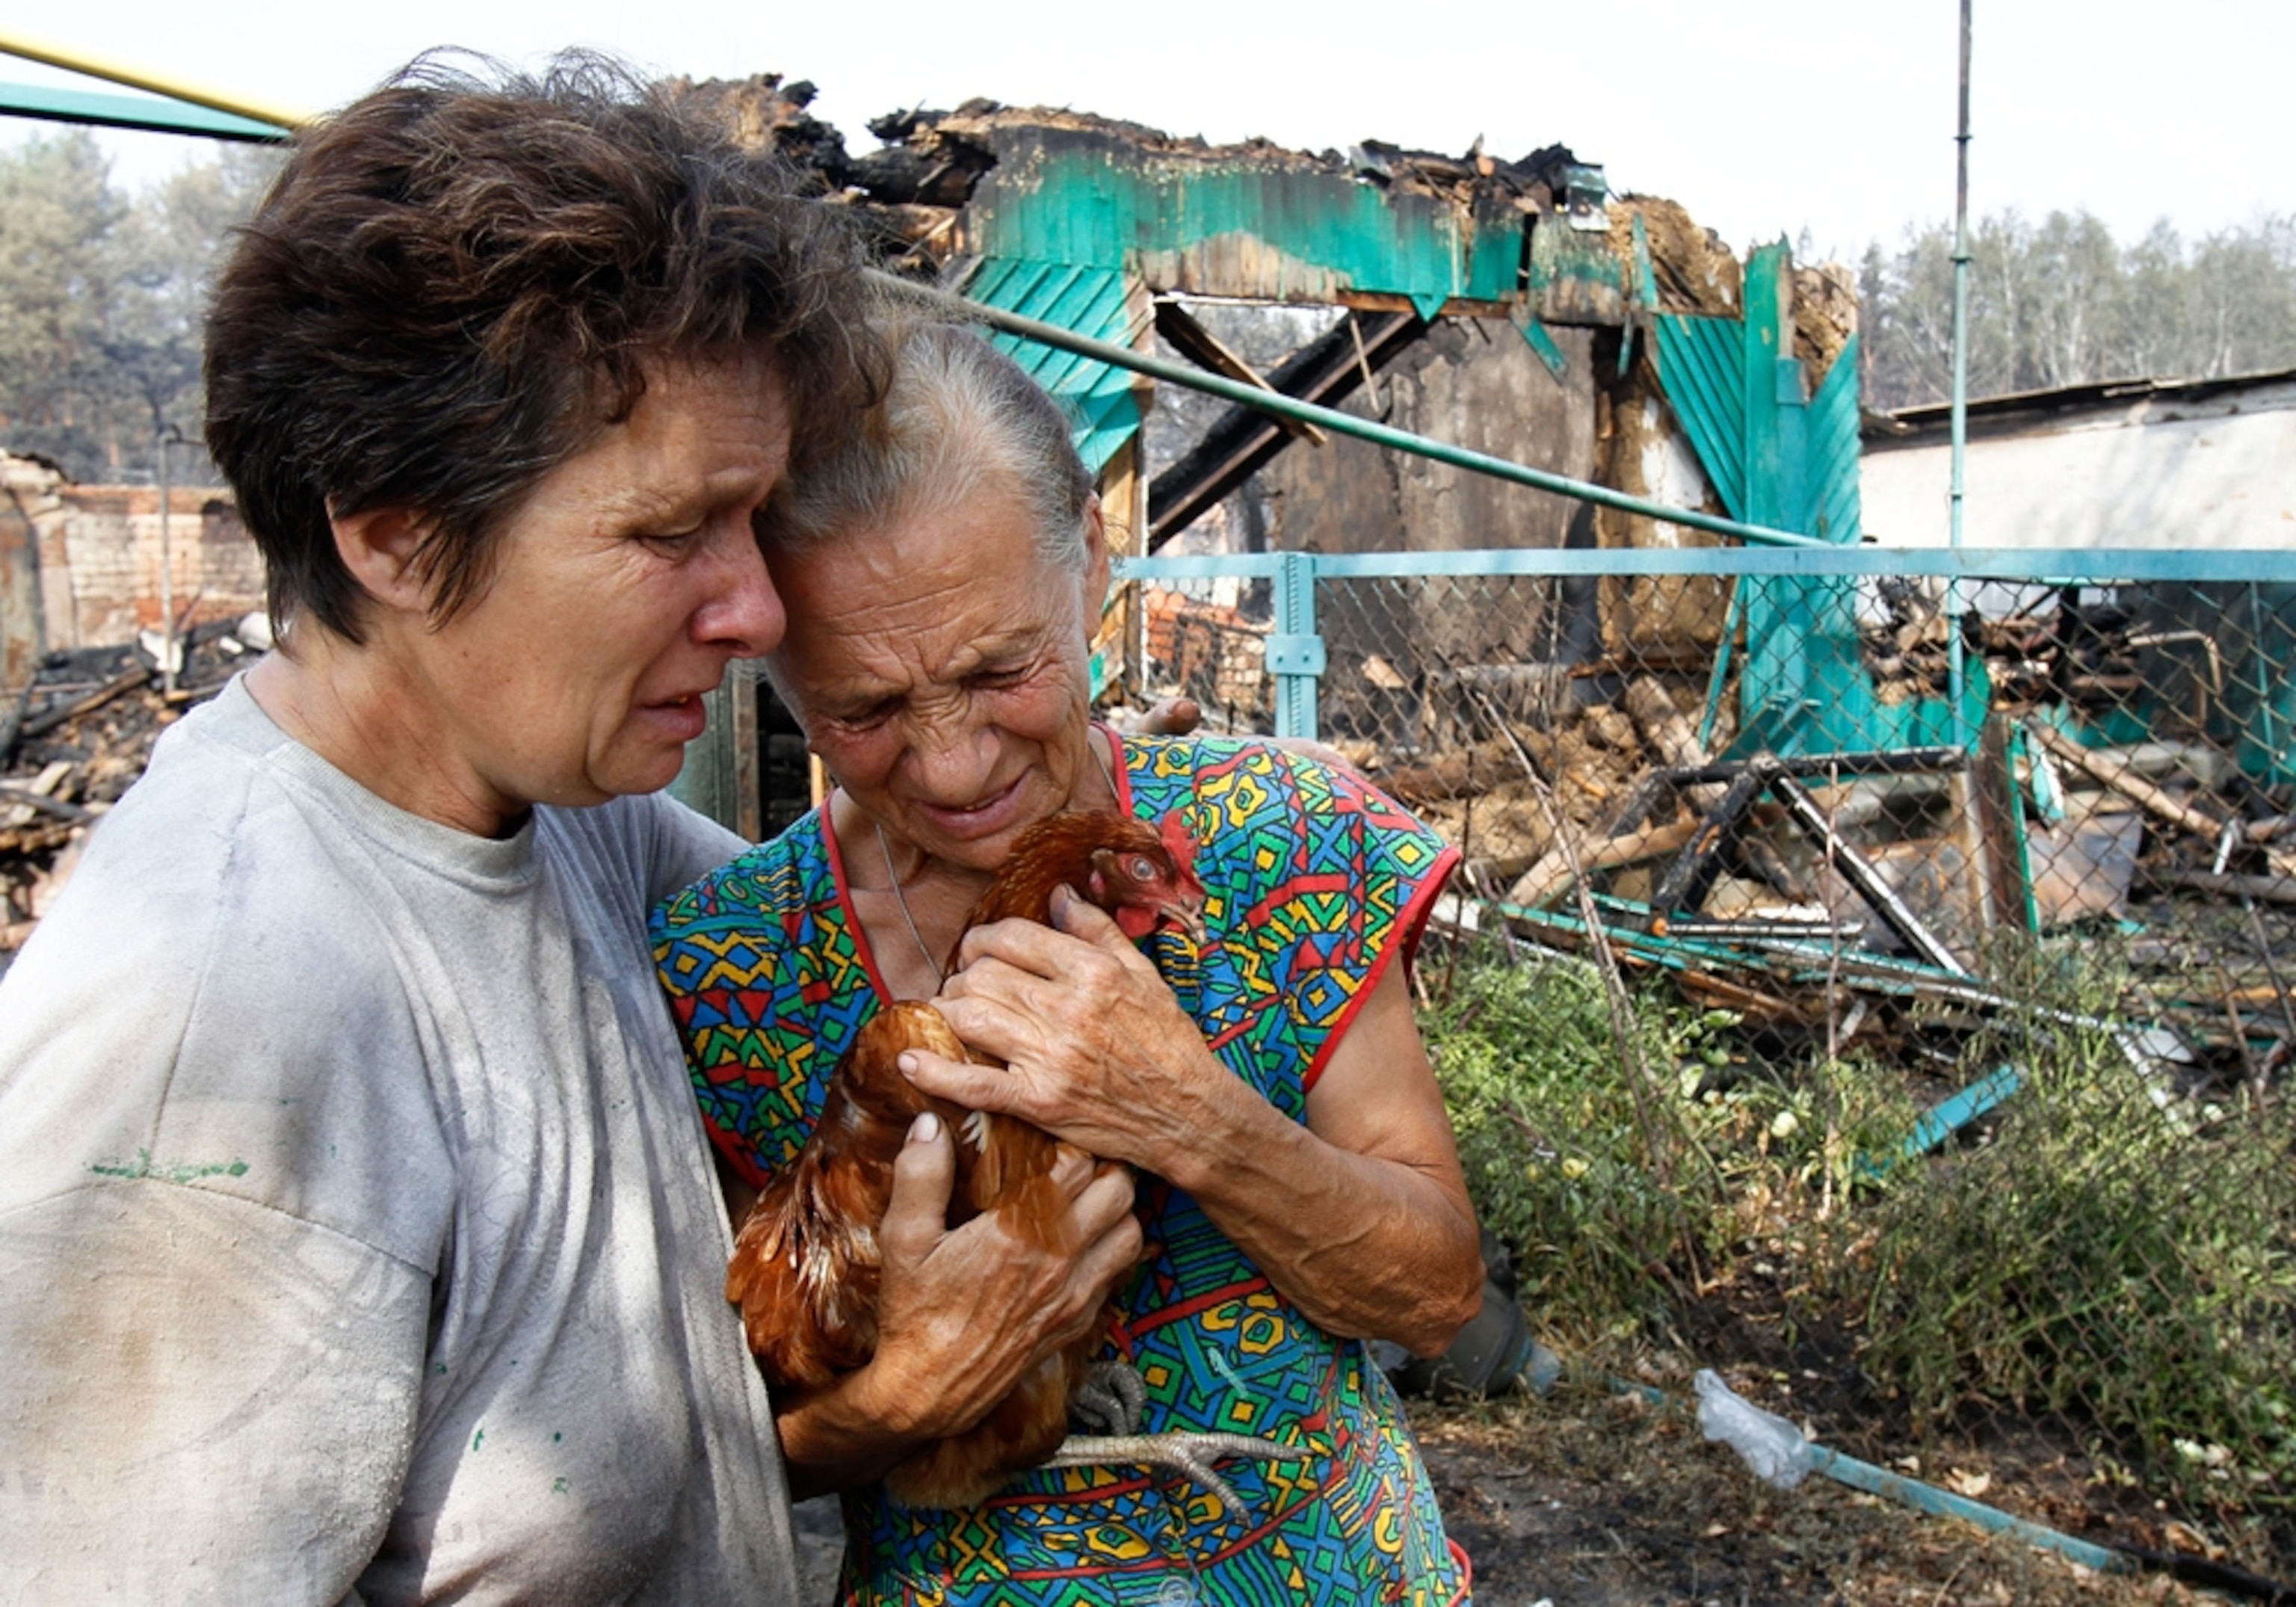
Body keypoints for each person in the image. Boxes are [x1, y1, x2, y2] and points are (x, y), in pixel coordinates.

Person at [0, 61, 1144, 1604]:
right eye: (672, 532)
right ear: (395, 529)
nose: (752, 612)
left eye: (750, 521)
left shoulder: (561, 826)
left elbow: (863, 936)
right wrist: (897, 1407)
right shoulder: (217, 1034)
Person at [650, 320, 1486, 1604]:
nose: (953, 766)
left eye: (999, 670)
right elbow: (713, 1453)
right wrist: (911, 1386)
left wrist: (1194, 1118)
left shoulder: (1285, 842)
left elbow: (1434, 1295)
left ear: (1089, 558)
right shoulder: (731, 970)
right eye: (862, 712)